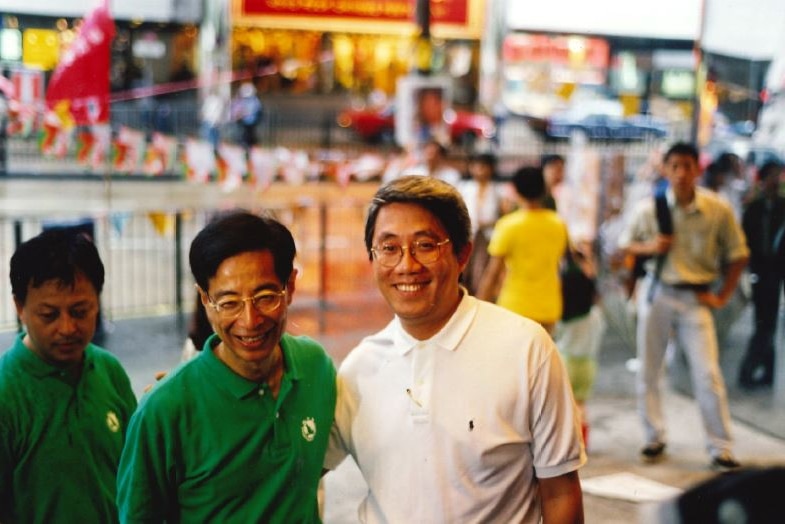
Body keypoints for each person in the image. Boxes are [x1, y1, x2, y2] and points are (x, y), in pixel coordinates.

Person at [324, 175, 585, 523]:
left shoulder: (527, 351)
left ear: (462, 253)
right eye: (389, 248)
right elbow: (300, 473)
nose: (406, 265)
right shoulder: (359, 369)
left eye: (425, 245)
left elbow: (560, 492)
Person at [117, 211, 336, 522]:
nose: (250, 321)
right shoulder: (163, 412)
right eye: (229, 302)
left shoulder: (317, 369)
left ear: (290, 286)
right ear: (205, 300)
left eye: (265, 296)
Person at [618, 142, 749, 470]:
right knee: (649, 368)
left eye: (687, 166)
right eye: (673, 166)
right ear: (665, 169)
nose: (680, 173)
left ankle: (721, 446)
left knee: (707, 373)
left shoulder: (717, 210)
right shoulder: (651, 209)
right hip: (658, 292)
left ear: (697, 169)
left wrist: (722, 296)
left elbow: (738, 255)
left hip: (695, 297)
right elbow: (624, 247)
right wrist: (651, 247)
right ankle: (654, 436)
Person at [0, 229, 137, 523]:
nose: (67, 328)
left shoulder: (110, 371)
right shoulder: (6, 393)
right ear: (19, 308)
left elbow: (137, 475)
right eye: (49, 315)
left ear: (97, 303)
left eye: (80, 311)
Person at [476, 165, 570, 334]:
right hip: (549, 305)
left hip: (516, 306)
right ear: (543, 190)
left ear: (516, 191)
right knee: (541, 358)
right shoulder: (558, 223)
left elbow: (492, 273)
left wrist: (478, 310)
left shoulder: (508, 225)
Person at [738, 160, 785, 388]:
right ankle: (752, 370)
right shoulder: (753, 208)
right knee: (764, 322)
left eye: (779, 176)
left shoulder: (783, 207)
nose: (776, 181)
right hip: (759, 272)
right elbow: (743, 242)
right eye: (772, 176)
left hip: (778, 273)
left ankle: (764, 371)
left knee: (769, 323)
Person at [457, 152, 505, 294]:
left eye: (484, 166)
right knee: (464, 271)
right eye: (476, 166)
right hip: (468, 234)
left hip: (488, 236)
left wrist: (489, 222)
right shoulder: (464, 187)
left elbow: (503, 216)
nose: (480, 170)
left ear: (491, 169)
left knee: (482, 271)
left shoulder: (498, 190)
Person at [230, 82, 263, 148]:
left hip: (249, 121)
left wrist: (241, 114)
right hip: (243, 121)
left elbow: (252, 110)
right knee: (243, 135)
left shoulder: (253, 100)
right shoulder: (244, 100)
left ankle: (247, 147)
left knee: (248, 136)